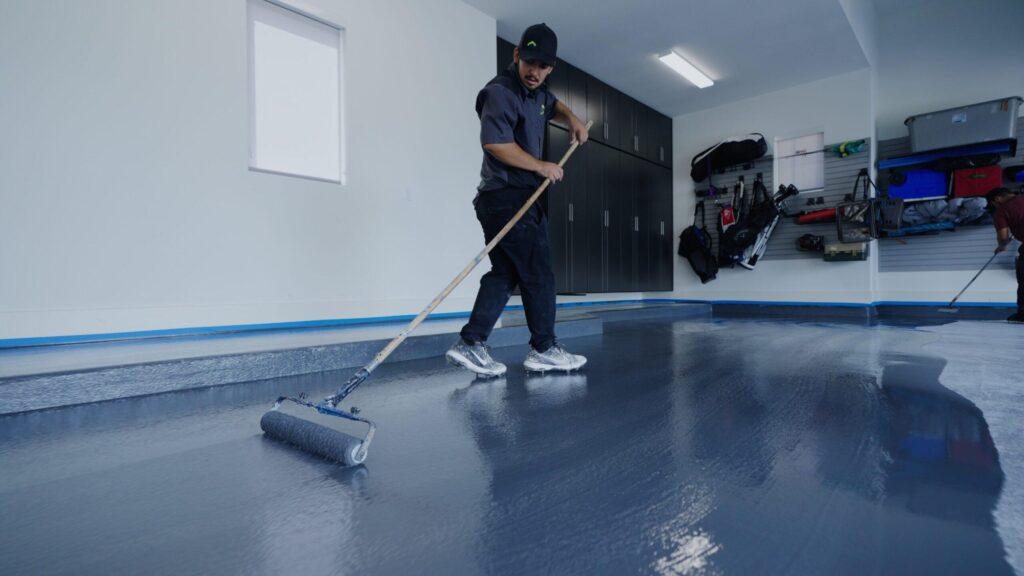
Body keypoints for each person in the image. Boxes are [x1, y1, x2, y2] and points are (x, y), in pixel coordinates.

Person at [446, 23, 589, 376]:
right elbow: (495, 143)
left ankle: (472, 342)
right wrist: (541, 165)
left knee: (505, 272)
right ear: (516, 55)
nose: (534, 72)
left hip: (510, 197)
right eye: (529, 62)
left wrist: (572, 119)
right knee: (538, 271)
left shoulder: (539, 92)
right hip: (506, 197)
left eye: (543, 66)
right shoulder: (500, 92)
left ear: (550, 67)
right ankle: (544, 348)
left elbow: (552, 104)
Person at [987, 187, 1024, 323]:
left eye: (993, 204)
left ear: (997, 199)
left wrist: (1001, 246)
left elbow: (1003, 237)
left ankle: (1023, 314)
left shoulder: (1002, 211)